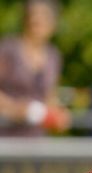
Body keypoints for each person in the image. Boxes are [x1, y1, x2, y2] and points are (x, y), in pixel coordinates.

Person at [0, 0, 70, 136]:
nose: (38, 20)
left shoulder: (53, 56)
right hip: (5, 135)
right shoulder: (8, 49)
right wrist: (14, 108)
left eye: (45, 17)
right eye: (34, 16)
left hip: (35, 138)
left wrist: (58, 113)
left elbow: (49, 96)